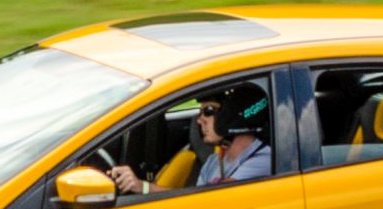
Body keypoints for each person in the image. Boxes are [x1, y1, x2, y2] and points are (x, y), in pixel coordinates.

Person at [109, 82, 271, 196]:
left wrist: (142, 187)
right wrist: (139, 186)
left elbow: (209, 201)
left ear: (233, 116)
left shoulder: (263, 159)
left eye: (208, 111)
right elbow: (192, 201)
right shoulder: (213, 161)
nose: (199, 120)